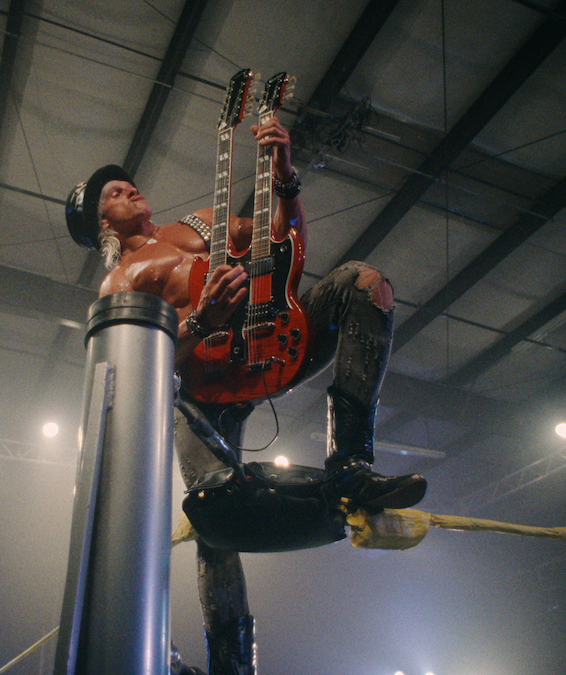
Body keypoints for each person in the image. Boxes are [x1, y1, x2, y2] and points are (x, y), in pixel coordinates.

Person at [64, 115, 426, 675]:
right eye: (113, 193)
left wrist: (284, 174)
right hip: (202, 392)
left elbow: (282, 239)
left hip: (269, 344)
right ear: (101, 225)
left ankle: (351, 461)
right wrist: (201, 321)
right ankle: (233, 664)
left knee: (363, 282)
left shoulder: (198, 223)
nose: (130, 188)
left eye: (127, 183)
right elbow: (142, 372)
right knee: (218, 513)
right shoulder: (123, 282)